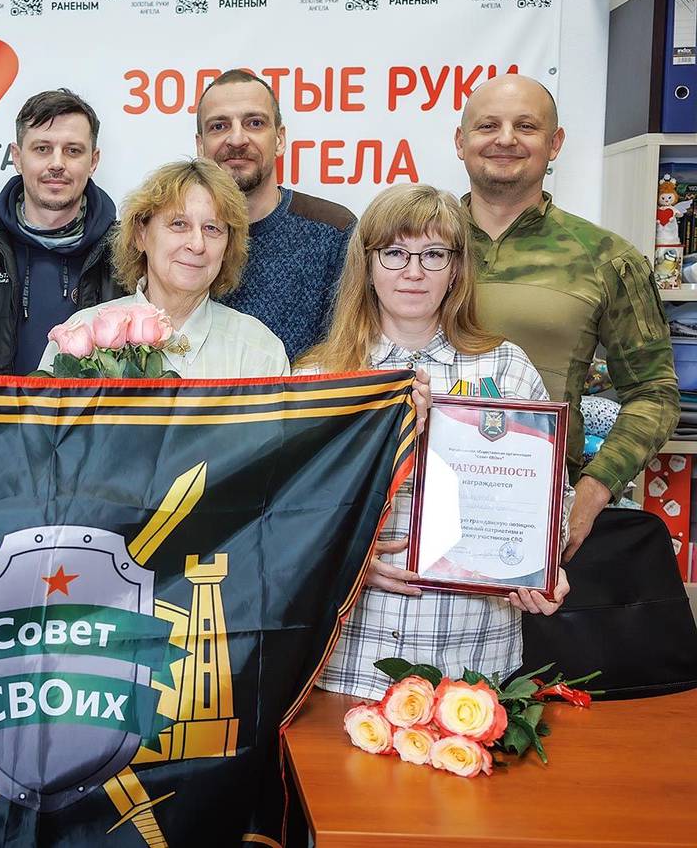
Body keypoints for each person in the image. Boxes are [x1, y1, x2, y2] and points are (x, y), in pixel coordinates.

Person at [298, 183, 571, 700]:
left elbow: (552, 503)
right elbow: (288, 517)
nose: (414, 271)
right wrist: (347, 558)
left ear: (456, 270)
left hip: (472, 662)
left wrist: (541, 564)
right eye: (395, 252)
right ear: (367, 265)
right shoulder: (321, 377)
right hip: (349, 658)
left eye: (433, 254)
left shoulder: (506, 369)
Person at [457, 74, 678, 562]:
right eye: (488, 125)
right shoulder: (414, 248)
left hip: (543, 509)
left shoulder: (606, 257)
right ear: (460, 141)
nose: (505, 139)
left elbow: (654, 393)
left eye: (526, 126)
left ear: (555, 143)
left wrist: (593, 493)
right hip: (419, 502)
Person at [38, 158, 287, 377]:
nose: (197, 244)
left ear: (228, 247)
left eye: (212, 228)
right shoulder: (81, 336)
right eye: (179, 224)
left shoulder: (259, 350)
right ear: (141, 234)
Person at [0, 89, 121, 374]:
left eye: (73, 150)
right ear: (17, 157)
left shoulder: (123, 254)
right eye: (42, 149)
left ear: (93, 161)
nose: (57, 164)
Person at [195, 70, 355, 362]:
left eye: (254, 123)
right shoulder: (175, 238)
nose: (237, 139)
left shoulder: (334, 231)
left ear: (280, 139)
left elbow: (350, 351)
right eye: (219, 126)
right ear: (200, 146)